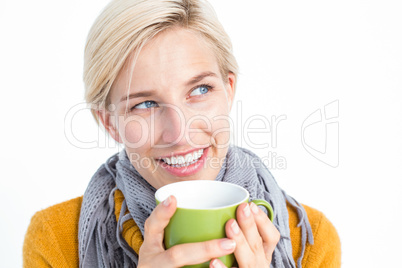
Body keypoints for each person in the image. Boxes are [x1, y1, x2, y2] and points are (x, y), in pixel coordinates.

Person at [23, 0, 341, 267]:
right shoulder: (55, 239)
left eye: (200, 90)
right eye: (144, 104)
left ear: (229, 90)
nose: (179, 133)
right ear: (109, 122)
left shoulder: (309, 239)